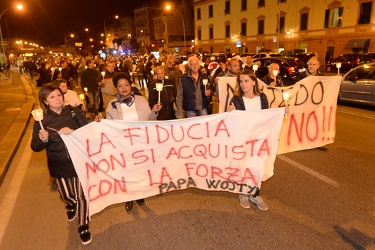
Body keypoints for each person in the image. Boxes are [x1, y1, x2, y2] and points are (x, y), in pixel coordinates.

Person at [30, 83, 91, 245]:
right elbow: (35, 146)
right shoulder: (41, 120)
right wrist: (43, 140)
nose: (57, 99)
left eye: (59, 95)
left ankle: (83, 225)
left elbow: (88, 131)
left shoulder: (73, 112)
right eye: (52, 97)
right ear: (45, 101)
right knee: (68, 196)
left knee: (82, 196)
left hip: (79, 161)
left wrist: (75, 132)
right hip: (58, 164)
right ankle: (70, 204)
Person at [96, 72, 162, 212]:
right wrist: (100, 121)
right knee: (126, 171)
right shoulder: (112, 105)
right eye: (120, 86)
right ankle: (128, 197)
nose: (124, 88)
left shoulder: (141, 100)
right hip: (123, 144)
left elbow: (149, 121)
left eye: (126, 84)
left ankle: (139, 194)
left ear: (130, 85)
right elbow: (109, 125)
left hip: (139, 143)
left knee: (139, 170)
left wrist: (154, 112)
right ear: (116, 88)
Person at [227, 71, 269, 211]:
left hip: (259, 139)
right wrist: (230, 112)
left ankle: (255, 194)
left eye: (246, 81)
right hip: (243, 140)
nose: (243, 84)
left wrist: (283, 112)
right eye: (241, 81)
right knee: (245, 166)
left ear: (254, 82)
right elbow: (231, 121)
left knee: (258, 167)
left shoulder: (262, 98)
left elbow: (268, 116)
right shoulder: (237, 99)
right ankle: (244, 193)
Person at [295, 56, 327, 151]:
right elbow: (297, 88)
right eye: (309, 64)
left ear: (318, 66)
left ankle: (317, 142)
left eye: (313, 64)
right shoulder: (301, 75)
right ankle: (301, 142)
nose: (311, 66)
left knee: (316, 123)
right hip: (304, 103)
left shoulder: (321, 75)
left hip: (316, 104)